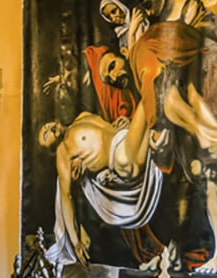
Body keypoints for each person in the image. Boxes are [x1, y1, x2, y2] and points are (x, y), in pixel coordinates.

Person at [39, 112, 160, 267]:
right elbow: (66, 197)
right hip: (119, 157)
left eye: (46, 127)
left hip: (124, 138)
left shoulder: (82, 116)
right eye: (46, 135)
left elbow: (107, 131)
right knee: (131, 152)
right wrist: (76, 243)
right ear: (51, 148)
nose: (49, 128)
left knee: (147, 107)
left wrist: (122, 123)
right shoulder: (64, 151)